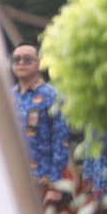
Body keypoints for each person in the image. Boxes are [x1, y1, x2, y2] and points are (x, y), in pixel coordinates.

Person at [10, 43, 69, 204]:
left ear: (39, 63)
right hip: (12, 183)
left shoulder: (52, 96)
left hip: (43, 185)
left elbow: (60, 143)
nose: (21, 63)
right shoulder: (8, 97)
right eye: (17, 59)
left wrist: (55, 187)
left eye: (27, 59)